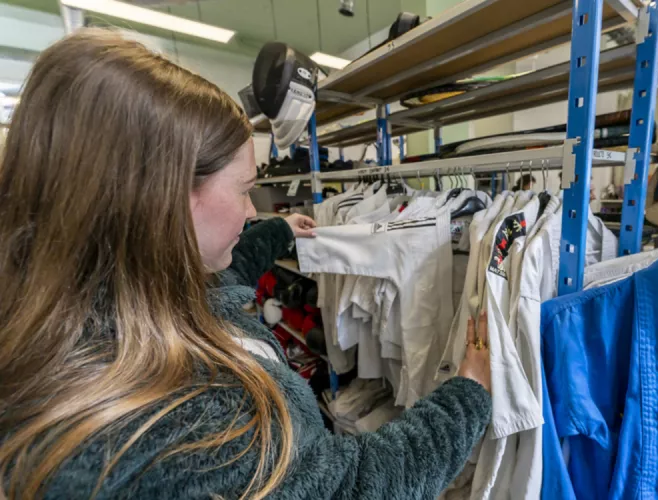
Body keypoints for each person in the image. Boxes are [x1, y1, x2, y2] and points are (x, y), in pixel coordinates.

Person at [0, 30, 491, 499]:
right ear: (162, 200)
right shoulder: (198, 425)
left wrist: (279, 232)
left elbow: (224, 280)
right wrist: (468, 392)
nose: (253, 208)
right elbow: (356, 486)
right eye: (243, 188)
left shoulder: (101, 314)